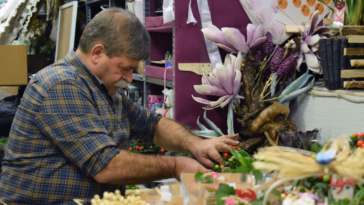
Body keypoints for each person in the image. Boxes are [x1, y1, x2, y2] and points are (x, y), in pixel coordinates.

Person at [0, 8, 240, 204]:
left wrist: (196, 144)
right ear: (97, 53)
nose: (128, 78)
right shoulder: (62, 84)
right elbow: (106, 166)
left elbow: (151, 125)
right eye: (125, 68)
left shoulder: (104, 89)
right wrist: (177, 165)